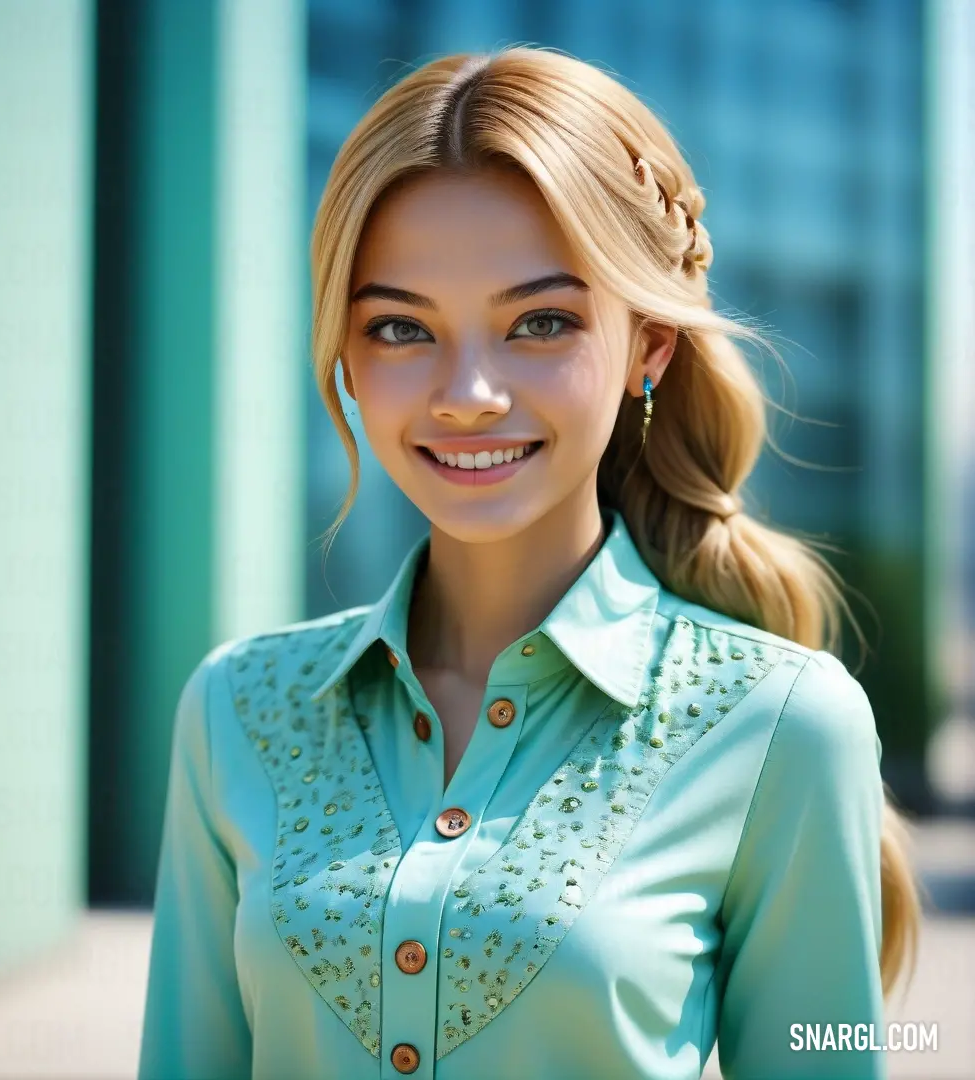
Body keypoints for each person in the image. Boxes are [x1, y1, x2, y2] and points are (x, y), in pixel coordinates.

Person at [137, 45, 921, 1080]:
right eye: (400, 327)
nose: (467, 392)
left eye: (540, 321)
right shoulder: (237, 706)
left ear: (651, 342)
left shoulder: (783, 724)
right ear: (345, 358)